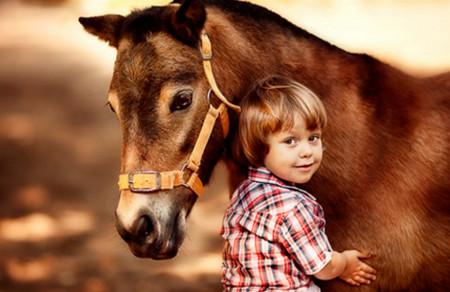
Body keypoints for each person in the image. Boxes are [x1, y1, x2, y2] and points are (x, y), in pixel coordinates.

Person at [221, 76, 377, 291]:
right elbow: (323, 267)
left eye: (313, 137)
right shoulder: (292, 207)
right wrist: (345, 263)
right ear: (259, 147)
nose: (306, 152)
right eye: (290, 141)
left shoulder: (243, 193)